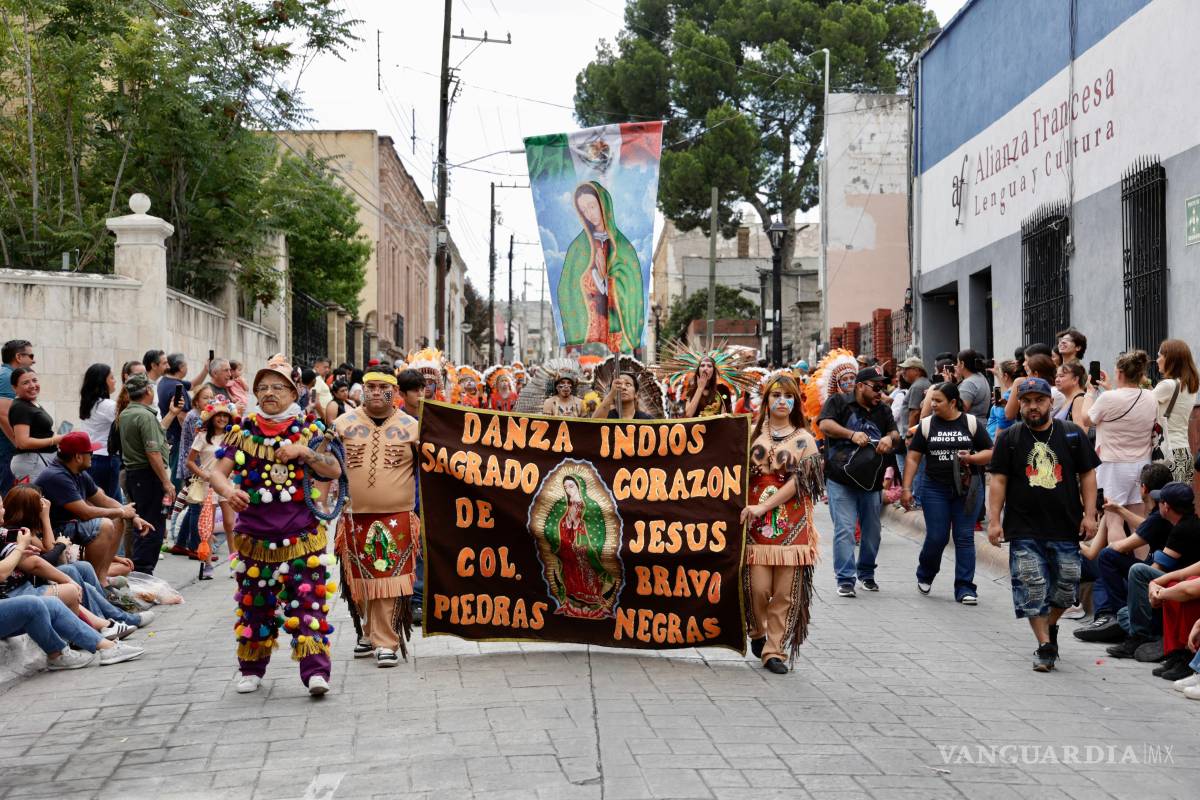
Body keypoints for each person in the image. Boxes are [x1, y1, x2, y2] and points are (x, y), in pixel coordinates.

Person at [207, 360, 343, 697]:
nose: (269, 393)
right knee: (255, 607)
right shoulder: (243, 431)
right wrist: (229, 491)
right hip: (254, 538)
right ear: (255, 395)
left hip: (302, 537)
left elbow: (334, 470)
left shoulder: (310, 430)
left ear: (293, 393)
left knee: (308, 607)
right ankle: (251, 668)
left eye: (277, 387)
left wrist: (305, 454)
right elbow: (216, 473)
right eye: (263, 388)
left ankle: (315, 673)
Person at [988, 377, 1100, 672]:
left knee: (1066, 588)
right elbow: (998, 480)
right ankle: (1044, 646)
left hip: (1065, 525)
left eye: (1039, 400)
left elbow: (1088, 475)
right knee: (1031, 587)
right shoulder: (1009, 438)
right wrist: (994, 521)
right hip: (1023, 527)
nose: (1033, 406)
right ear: (1020, 404)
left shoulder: (1072, 434)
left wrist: (1090, 514)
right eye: (1026, 401)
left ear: (1051, 402)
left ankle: (1049, 627)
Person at [333, 371, 419, 667]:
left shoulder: (412, 427)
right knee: (359, 581)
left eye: (382, 387)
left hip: (397, 515)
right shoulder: (342, 424)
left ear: (394, 392)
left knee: (389, 579)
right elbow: (326, 467)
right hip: (353, 515)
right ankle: (368, 631)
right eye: (370, 387)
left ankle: (386, 641)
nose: (374, 392)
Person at [740, 374, 822, 675]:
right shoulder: (750, 435)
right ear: (766, 401)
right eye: (776, 395)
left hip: (792, 525)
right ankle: (757, 632)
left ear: (795, 402)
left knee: (785, 593)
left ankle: (775, 650)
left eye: (788, 396)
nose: (782, 401)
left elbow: (800, 483)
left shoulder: (805, 439)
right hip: (754, 527)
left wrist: (764, 506)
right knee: (757, 590)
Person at [2, 485, 151, 632]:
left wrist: (47, 522)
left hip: (38, 578)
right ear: (31, 509)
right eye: (40, 503)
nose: (45, 504)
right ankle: (106, 623)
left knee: (85, 569)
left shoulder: (28, 530)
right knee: (71, 572)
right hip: (28, 586)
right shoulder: (17, 532)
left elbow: (48, 549)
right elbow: (47, 556)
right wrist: (54, 534)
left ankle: (112, 616)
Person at [902, 382, 994, 604]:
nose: (933, 404)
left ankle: (965, 587)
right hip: (935, 488)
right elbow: (913, 457)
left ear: (953, 402)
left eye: (938, 401)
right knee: (937, 536)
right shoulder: (926, 426)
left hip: (967, 489)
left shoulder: (970, 423)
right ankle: (925, 572)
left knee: (964, 537)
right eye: (931, 400)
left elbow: (990, 452)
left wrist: (971, 459)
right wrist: (906, 488)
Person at [0, 528, 144, 669]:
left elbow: (34, 561)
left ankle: (107, 647)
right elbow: (3, 573)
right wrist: (20, 548)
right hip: (16, 593)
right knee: (33, 603)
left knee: (55, 601)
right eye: (0, 506)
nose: (3, 509)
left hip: (18, 593)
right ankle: (100, 628)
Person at [818, 366, 899, 597]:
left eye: (882, 387)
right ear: (861, 386)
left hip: (871, 480)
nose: (879, 392)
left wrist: (887, 438)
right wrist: (851, 434)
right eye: (875, 387)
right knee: (844, 529)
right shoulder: (839, 401)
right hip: (840, 477)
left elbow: (895, 434)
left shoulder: (882, 410)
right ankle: (845, 579)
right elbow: (824, 424)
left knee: (872, 531)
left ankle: (866, 573)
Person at [1075, 462, 1174, 644]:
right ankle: (1108, 617)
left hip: (1155, 575)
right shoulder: (1158, 514)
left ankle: (1121, 618)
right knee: (1101, 570)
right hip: (1150, 569)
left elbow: (1123, 545)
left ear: (1143, 488)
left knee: (1106, 559)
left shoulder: (1160, 516)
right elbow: (1145, 528)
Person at [33, 431, 147, 585]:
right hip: (53, 534)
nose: (92, 456)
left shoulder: (76, 472)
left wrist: (132, 516)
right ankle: (96, 582)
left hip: (68, 528)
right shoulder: (56, 476)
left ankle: (100, 577)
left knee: (124, 562)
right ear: (78, 457)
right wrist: (121, 511)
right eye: (90, 452)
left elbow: (103, 499)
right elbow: (85, 513)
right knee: (105, 524)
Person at [1104, 481, 1200, 660]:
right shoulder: (1183, 522)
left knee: (1138, 571)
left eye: (1160, 502)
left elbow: (1158, 567)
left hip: (1184, 583)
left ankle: (1140, 636)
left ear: (1166, 507)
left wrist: (1152, 587)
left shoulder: (1183, 528)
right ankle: (1143, 630)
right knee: (1125, 613)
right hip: (1178, 580)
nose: (1156, 505)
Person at [559, 181, 644, 353]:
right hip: (591, 332)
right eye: (584, 210)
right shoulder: (577, 248)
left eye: (592, 206)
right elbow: (567, 289)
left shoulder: (623, 248)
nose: (590, 213)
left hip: (616, 330)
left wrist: (607, 279)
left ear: (603, 204)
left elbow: (631, 289)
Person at [1085, 350, 1157, 548]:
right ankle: (1139, 572)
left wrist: (1090, 393)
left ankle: (1118, 568)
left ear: (1120, 373)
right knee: (1138, 521)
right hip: (1142, 464)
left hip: (1112, 465)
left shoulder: (1108, 399)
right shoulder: (1151, 397)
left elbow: (1086, 419)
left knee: (1113, 518)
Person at [119, 374, 177, 574]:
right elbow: (152, 453)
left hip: (135, 475)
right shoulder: (145, 415)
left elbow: (155, 433)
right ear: (148, 391)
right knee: (152, 525)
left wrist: (170, 413)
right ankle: (143, 572)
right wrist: (166, 482)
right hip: (148, 475)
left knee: (142, 520)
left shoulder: (128, 413)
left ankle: (140, 570)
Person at [184, 400, 238, 579]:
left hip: (227, 484)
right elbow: (190, 462)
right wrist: (204, 474)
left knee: (230, 524)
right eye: (219, 415)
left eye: (225, 415)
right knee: (207, 526)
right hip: (208, 486)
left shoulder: (232, 436)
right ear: (212, 417)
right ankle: (207, 565)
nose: (222, 419)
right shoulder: (202, 436)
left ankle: (234, 563)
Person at [1154, 339, 1199, 483]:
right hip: (1184, 452)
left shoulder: (1167, 385)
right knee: (1180, 502)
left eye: (1160, 355)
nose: (1157, 359)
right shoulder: (1189, 386)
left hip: (1167, 453)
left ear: (1170, 359)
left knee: (1162, 502)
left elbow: (1140, 405)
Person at [7, 368, 62, 484]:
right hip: (32, 462)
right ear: (14, 388)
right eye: (25, 383)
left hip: (38, 460)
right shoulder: (20, 407)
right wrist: (54, 440)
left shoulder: (31, 403)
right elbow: (23, 442)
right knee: (36, 499)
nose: (32, 385)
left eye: (34, 380)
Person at [79, 364, 122, 502]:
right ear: (102, 381)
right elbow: (125, 424)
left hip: (93, 456)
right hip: (106, 458)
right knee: (110, 505)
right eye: (112, 377)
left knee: (106, 502)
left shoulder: (89, 403)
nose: (115, 380)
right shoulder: (107, 405)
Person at [0, 339, 35, 494]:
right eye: (30, 355)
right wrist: (19, 444)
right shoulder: (9, 377)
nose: (34, 360)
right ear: (19, 357)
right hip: (5, 450)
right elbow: (3, 414)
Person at [955, 349, 992, 420]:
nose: (956, 366)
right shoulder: (980, 376)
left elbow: (960, 410)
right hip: (979, 423)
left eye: (957, 362)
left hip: (970, 426)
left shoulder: (969, 383)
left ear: (962, 364)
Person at [1054, 362, 1092, 430]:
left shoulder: (1079, 400)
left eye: (1061, 376)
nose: (1057, 380)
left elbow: (1081, 432)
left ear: (1075, 379)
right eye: (1056, 376)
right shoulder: (1068, 399)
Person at [987, 360, 1020, 440]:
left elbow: (1002, 425)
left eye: (1001, 374)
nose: (1000, 377)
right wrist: (998, 374)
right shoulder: (1016, 392)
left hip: (997, 440)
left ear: (1005, 376)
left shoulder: (1007, 397)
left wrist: (995, 448)